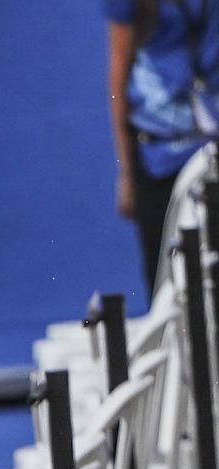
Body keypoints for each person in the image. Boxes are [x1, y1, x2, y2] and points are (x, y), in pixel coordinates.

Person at [107, 0, 219, 290]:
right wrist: (127, 174)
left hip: (213, 146)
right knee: (167, 286)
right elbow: (119, 72)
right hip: (160, 153)